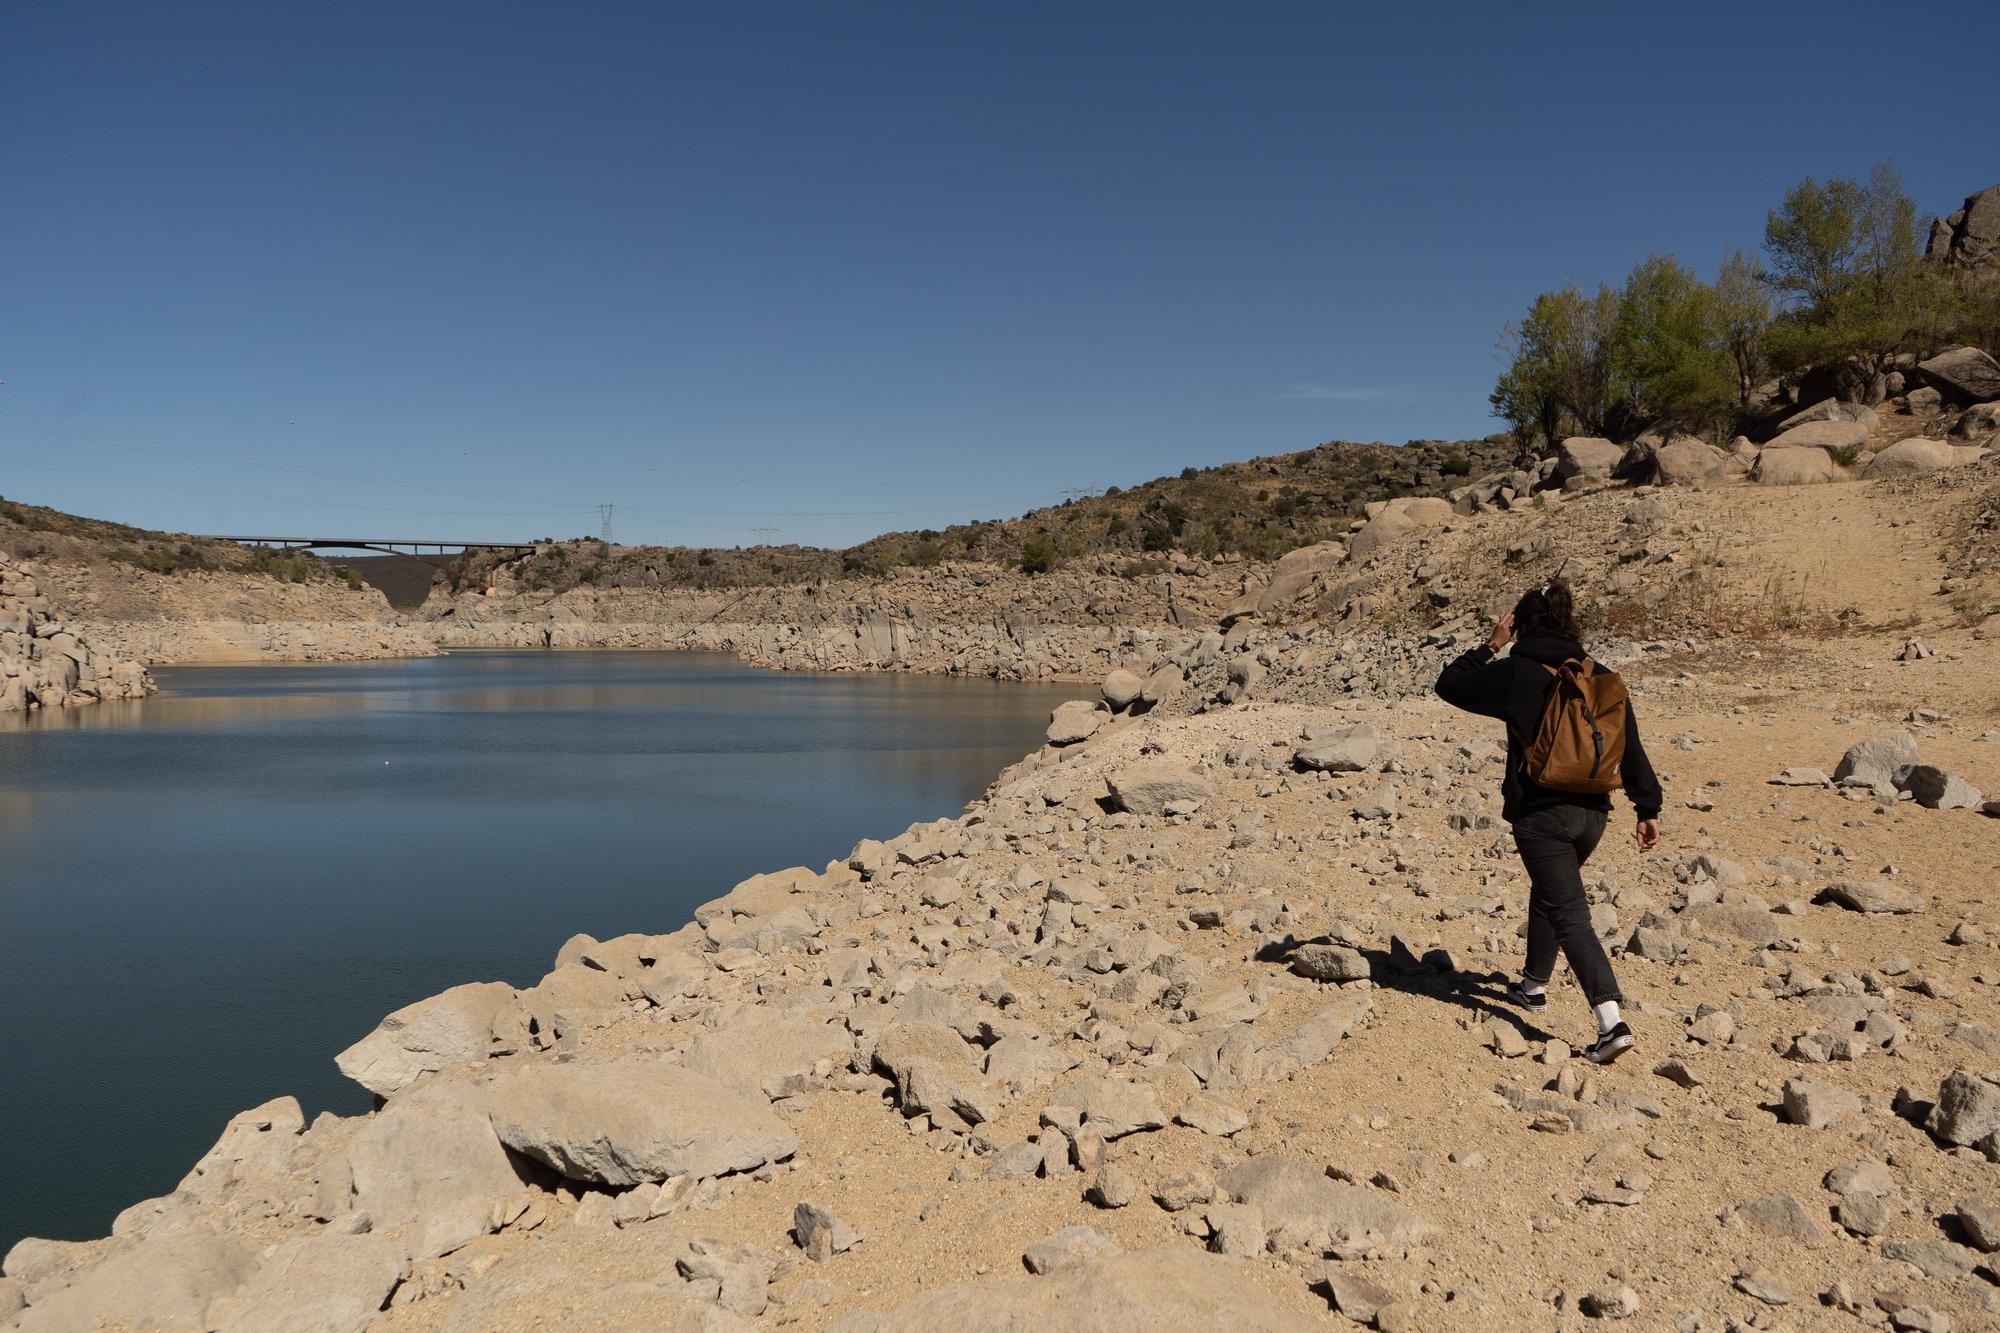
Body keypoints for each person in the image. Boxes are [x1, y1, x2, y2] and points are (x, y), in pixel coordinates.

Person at [1434, 580, 1661, 1064]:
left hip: (1542, 815)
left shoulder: (1515, 673)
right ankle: (1533, 986)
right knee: (1552, 890)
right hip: (1594, 813)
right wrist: (1648, 808)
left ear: (1521, 621)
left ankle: (1611, 1021)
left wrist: (1492, 644)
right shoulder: (1601, 676)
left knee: (1570, 913)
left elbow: (1449, 684)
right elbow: (1631, 747)